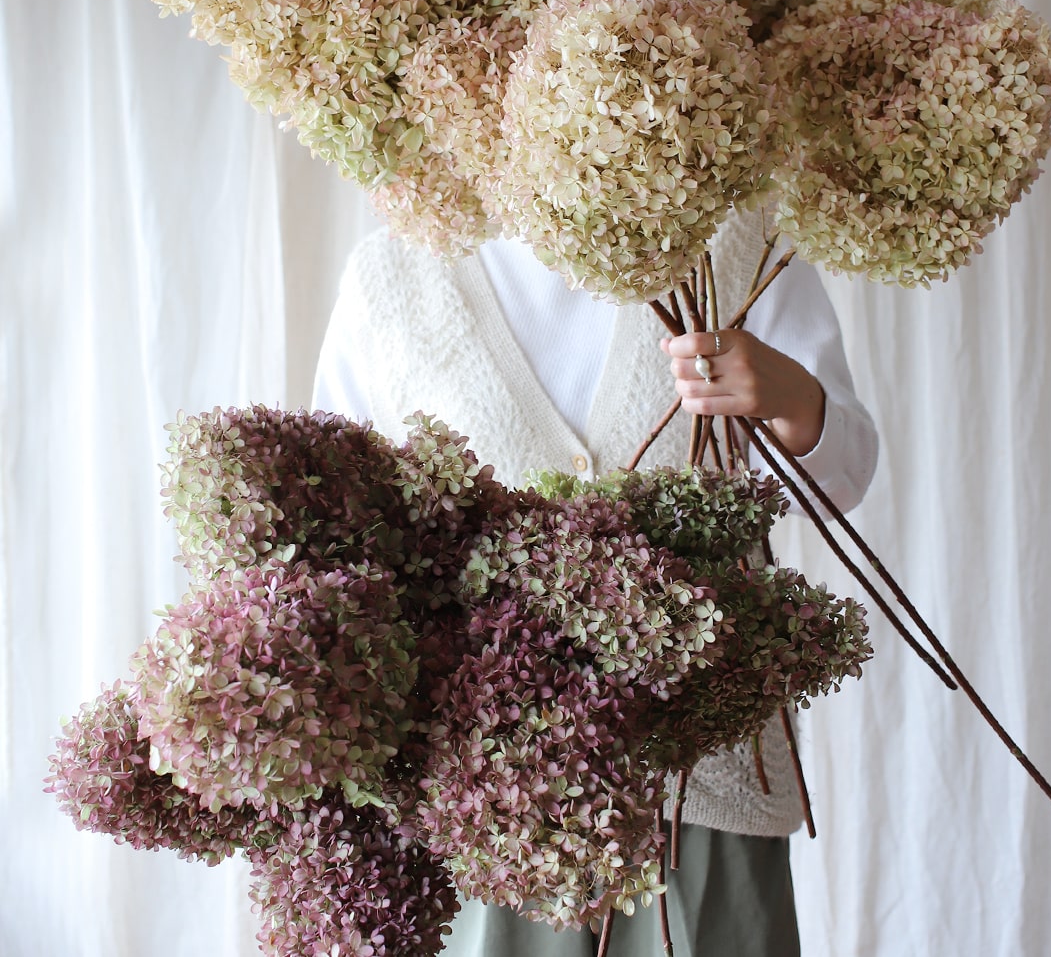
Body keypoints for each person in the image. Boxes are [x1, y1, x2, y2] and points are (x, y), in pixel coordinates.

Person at [312, 207, 878, 957]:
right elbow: (335, 535)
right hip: (486, 799)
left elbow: (842, 475)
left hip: (702, 783)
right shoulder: (393, 275)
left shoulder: (736, 243)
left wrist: (793, 402)